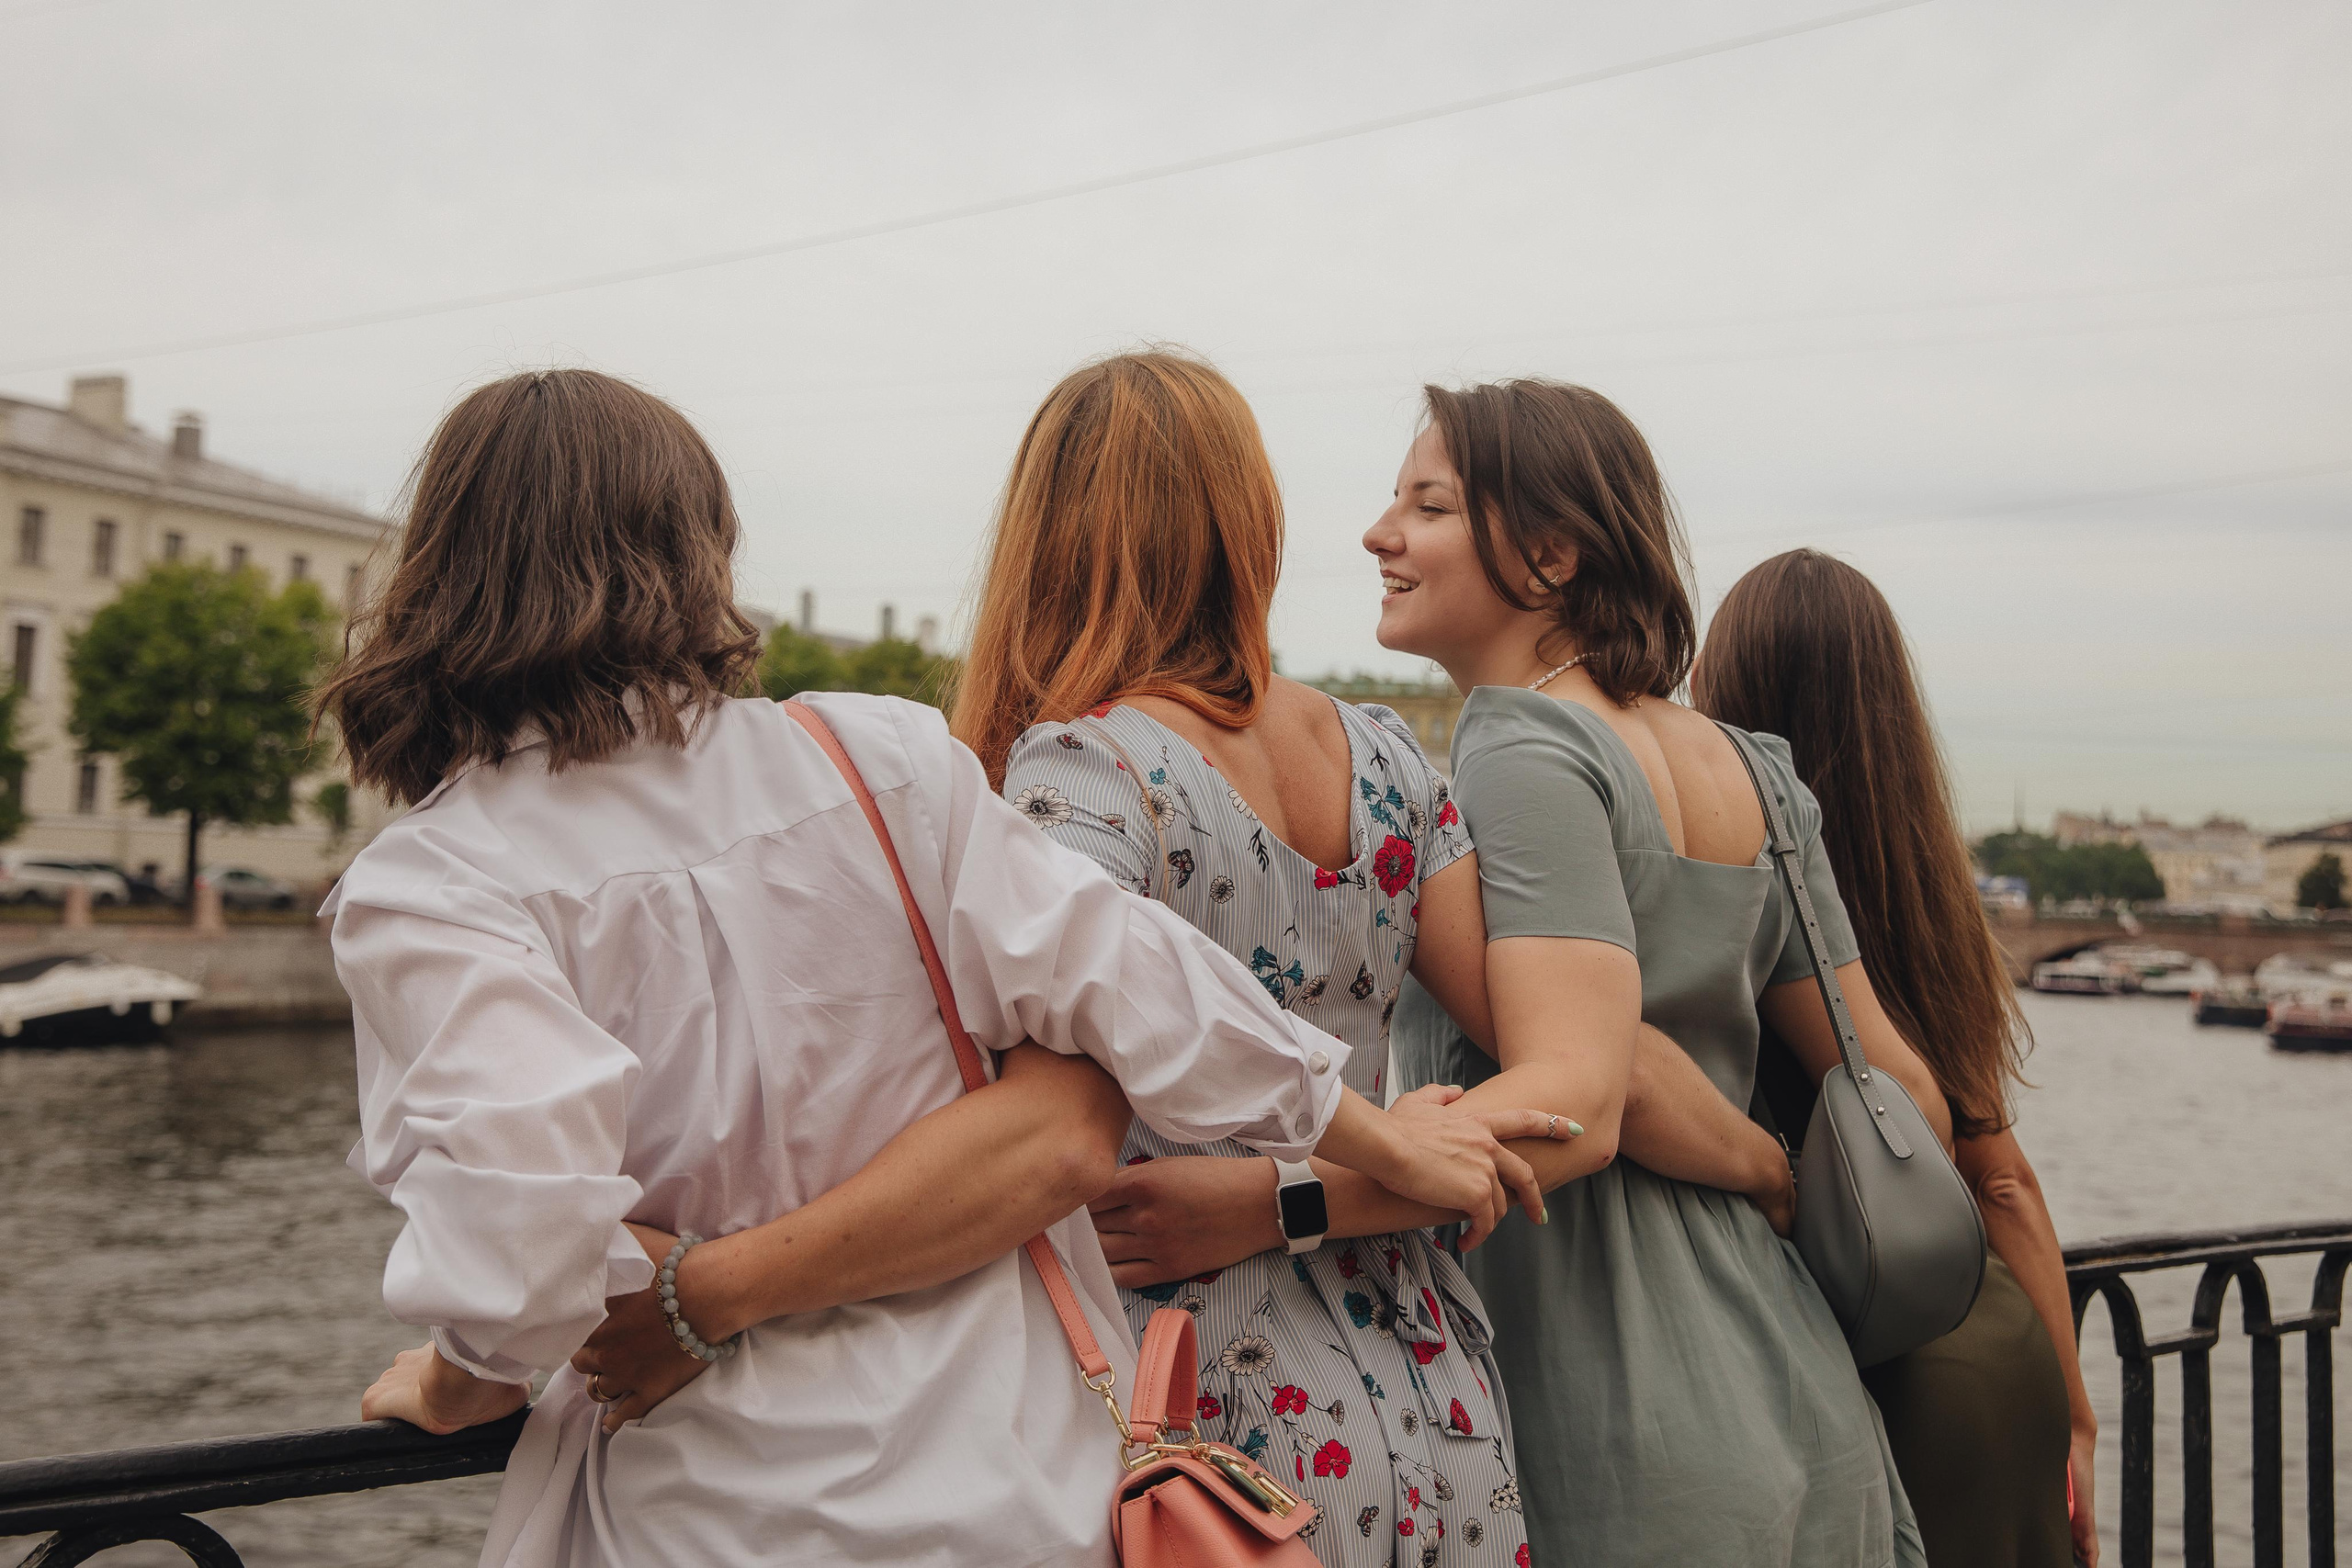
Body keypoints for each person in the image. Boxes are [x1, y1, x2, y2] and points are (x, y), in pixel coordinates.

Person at [323, 368, 1558, 1568]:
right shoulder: (873, 756)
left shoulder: (433, 882)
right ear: (699, 549)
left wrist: (459, 1378)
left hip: (722, 1502)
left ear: (442, 577)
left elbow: (521, 1224)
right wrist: (1378, 1139)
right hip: (1020, 1475)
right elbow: (1136, 980)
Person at [956, 349, 1619, 1566]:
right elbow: (1571, 1090)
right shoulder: (1384, 758)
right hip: (1436, 1391)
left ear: (1049, 535)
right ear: (1246, 522)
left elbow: (1019, 1126)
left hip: (1201, 1430)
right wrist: (1378, 1168)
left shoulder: (1084, 772)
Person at [1380, 378, 1947, 1568]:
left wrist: (1300, 1186)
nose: (1381, 534)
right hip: (1792, 1375)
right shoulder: (1754, 769)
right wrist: (1763, 1167)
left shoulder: (1522, 739)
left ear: (1547, 553)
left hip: (1608, 1402)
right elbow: (1907, 1097)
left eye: (1425, 504)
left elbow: (1575, 1097)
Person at [1693, 547, 2097, 1568]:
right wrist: (2076, 1417)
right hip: (1999, 1356)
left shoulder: (1728, 879)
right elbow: (2001, 1182)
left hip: (1857, 1367)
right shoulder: (1932, 895)